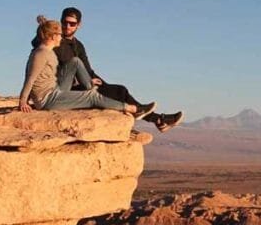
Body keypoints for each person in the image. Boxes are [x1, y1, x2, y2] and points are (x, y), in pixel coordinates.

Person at [31, 7, 184, 132]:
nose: (67, 27)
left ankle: (157, 119)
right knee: (118, 92)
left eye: (72, 24)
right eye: (65, 23)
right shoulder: (55, 40)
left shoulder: (79, 45)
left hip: (84, 82)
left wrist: (102, 84)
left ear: (79, 25)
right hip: (65, 89)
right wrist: (43, 27)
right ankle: (157, 119)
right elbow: (38, 44)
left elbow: (88, 69)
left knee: (118, 90)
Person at [19, 15, 158, 117]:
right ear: (53, 36)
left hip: (55, 90)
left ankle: (91, 88)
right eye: (60, 34)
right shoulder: (41, 53)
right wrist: (23, 102)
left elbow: (46, 31)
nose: (62, 37)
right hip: (48, 100)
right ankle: (131, 109)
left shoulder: (47, 50)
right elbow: (30, 78)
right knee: (92, 98)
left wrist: (88, 81)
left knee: (75, 61)